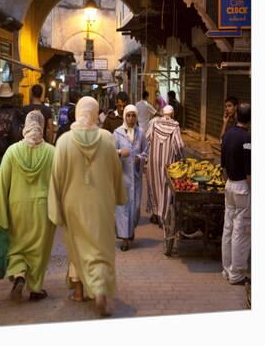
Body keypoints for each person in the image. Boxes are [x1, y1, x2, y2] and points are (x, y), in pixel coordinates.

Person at [48, 97, 127, 317]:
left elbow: (56, 177)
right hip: (101, 203)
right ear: (95, 113)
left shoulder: (64, 141)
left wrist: (55, 207)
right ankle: (100, 288)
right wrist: (120, 196)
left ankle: (79, 291)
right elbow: (116, 172)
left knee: (78, 247)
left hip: (73, 203)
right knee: (99, 248)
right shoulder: (107, 138)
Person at [0, 110, 56, 301]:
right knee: (39, 248)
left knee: (18, 245)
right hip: (43, 208)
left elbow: (2, 184)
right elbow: (58, 182)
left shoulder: (12, 152)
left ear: (24, 126)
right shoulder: (52, 152)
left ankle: (18, 273)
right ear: (42, 127)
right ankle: (35, 288)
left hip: (16, 207)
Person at [220, 103, 251, 286]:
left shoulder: (228, 134)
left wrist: (228, 181)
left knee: (228, 228)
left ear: (237, 116)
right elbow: (249, 172)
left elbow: (222, 164)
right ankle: (237, 274)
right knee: (241, 230)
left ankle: (226, 268)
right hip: (241, 187)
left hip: (229, 184)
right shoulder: (247, 138)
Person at [113, 105, 148, 251]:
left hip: (136, 177)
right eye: (128, 116)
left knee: (135, 208)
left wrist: (139, 158)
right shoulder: (117, 133)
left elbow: (146, 151)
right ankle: (125, 238)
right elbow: (110, 152)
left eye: (133, 116)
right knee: (123, 208)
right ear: (124, 117)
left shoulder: (141, 133)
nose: (131, 119)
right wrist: (120, 152)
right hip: (122, 177)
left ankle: (130, 231)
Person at [145, 105, 184, 225]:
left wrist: (145, 158)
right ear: (172, 114)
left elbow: (147, 139)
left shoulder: (154, 124)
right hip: (168, 163)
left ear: (163, 113)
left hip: (153, 162)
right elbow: (179, 145)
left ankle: (156, 213)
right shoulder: (175, 126)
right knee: (166, 187)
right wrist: (182, 159)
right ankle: (164, 215)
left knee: (154, 185)